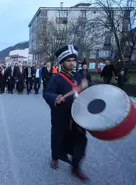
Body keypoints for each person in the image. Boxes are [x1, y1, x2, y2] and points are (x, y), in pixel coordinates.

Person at [43, 45, 88, 181]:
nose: (72, 63)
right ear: (62, 62)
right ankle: (55, 157)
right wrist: (55, 98)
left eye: (74, 60)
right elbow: (47, 93)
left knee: (80, 140)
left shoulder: (79, 76)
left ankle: (75, 167)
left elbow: (87, 92)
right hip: (61, 115)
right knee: (58, 137)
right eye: (69, 60)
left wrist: (87, 86)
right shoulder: (56, 78)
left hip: (78, 115)